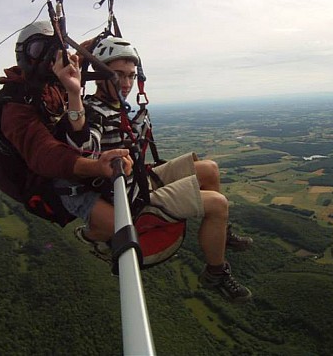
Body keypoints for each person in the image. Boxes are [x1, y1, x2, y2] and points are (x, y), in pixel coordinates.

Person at [53, 35, 253, 303]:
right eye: (118, 75)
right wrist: (74, 94)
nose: (125, 84)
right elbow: (85, 145)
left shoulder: (119, 108)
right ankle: (216, 272)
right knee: (218, 204)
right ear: (100, 76)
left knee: (210, 169)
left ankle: (221, 234)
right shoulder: (92, 110)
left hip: (139, 180)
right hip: (131, 198)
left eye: (131, 76)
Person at [0, 20, 133, 211]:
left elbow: (76, 61)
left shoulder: (52, 85)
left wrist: (95, 43)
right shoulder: (14, 106)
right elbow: (44, 153)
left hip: (62, 164)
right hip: (39, 180)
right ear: (23, 53)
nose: (49, 58)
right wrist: (96, 167)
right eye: (39, 49)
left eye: (57, 51)